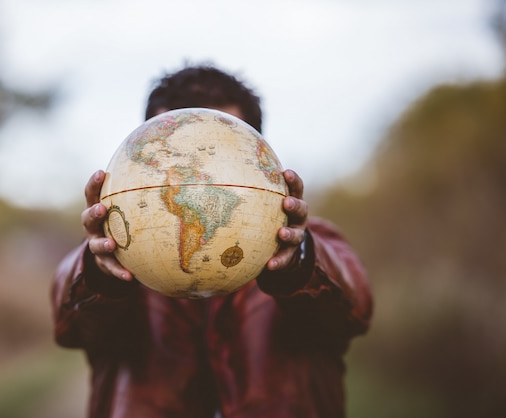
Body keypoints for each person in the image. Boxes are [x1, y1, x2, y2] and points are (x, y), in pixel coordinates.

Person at [51, 64, 373, 418]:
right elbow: (69, 327)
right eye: (173, 154)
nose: (199, 182)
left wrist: (298, 263)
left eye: (218, 154)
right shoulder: (115, 249)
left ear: (259, 158)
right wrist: (98, 271)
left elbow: (355, 310)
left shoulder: (308, 241)